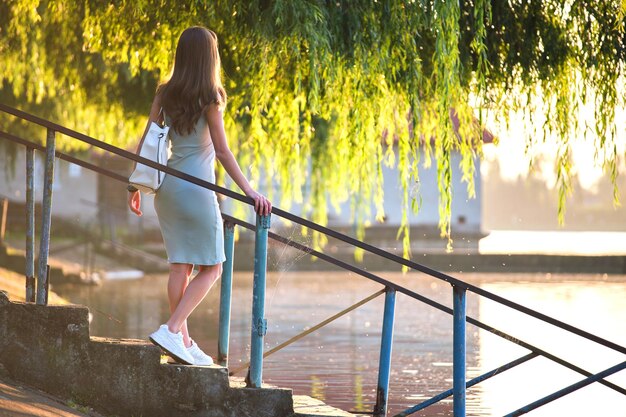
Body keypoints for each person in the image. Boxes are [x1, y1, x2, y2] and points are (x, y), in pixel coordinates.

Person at [127, 26, 271, 366]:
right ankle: (173, 329)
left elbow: (148, 140)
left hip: (168, 190)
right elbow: (222, 152)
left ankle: (183, 343)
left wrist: (134, 185)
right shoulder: (211, 97)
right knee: (214, 268)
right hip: (197, 190)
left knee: (181, 266)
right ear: (210, 57)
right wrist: (250, 192)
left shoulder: (166, 92)